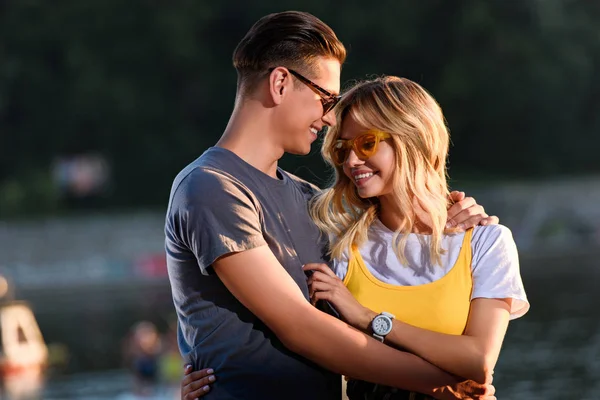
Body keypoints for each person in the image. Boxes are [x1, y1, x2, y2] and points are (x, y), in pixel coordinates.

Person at [167, 11, 498, 400]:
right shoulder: (211, 188)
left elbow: (395, 228)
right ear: (279, 82)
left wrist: (456, 214)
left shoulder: (310, 200)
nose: (328, 118)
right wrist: (440, 381)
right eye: (326, 98)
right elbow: (299, 326)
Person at [301, 76, 530, 399]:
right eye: (343, 148)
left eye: (366, 143)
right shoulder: (339, 246)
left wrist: (367, 318)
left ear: (414, 139)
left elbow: (478, 360)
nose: (351, 161)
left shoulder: (485, 241)